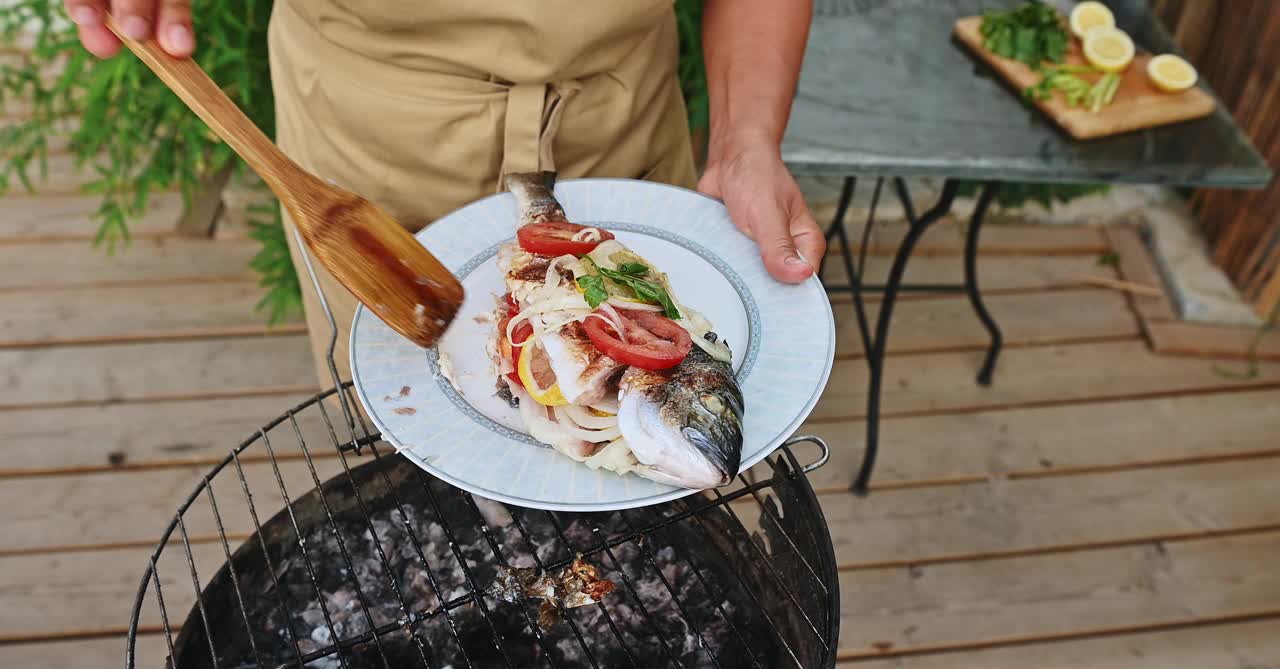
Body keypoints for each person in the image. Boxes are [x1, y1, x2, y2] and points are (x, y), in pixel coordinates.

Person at [63, 0, 826, 386]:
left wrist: (745, 140)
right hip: (368, 139)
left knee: (644, 433)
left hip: (621, 123)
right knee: (401, 448)